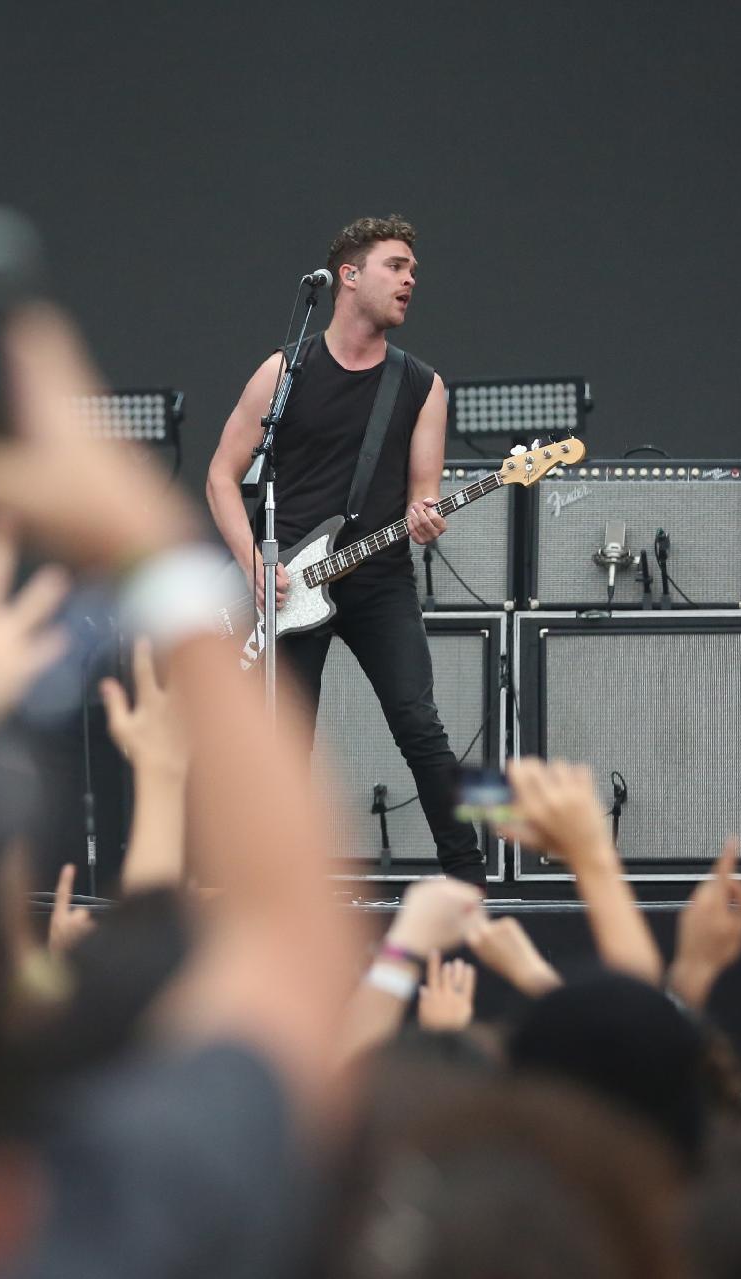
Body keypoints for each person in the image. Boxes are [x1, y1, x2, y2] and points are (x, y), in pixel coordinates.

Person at [204, 215, 481, 884]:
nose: (411, 279)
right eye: (396, 265)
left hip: (378, 578)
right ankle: (278, 887)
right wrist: (255, 561)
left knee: (419, 723)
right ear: (348, 277)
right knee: (286, 743)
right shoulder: (286, 369)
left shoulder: (421, 385)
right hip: (289, 580)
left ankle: (469, 880)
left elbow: (423, 493)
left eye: (414, 269)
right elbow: (220, 475)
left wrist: (424, 516)